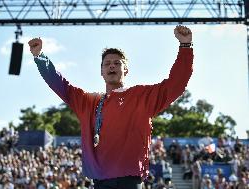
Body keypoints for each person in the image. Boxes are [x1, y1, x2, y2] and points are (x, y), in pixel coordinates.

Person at [28, 25, 194, 189]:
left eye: (117, 63)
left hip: (130, 180)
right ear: (101, 71)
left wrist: (185, 46)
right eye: (107, 64)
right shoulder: (88, 102)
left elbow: (175, 84)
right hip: (99, 182)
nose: (112, 66)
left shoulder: (141, 96)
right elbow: (61, 85)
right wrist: (40, 57)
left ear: (126, 70)